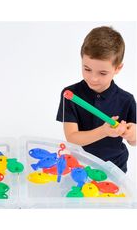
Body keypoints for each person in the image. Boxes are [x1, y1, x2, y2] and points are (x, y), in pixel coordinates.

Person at [56, 26, 136, 173]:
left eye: (103, 72)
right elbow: (72, 138)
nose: (93, 78)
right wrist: (104, 131)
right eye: (87, 69)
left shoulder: (127, 100)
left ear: (118, 68)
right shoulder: (70, 94)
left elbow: (134, 141)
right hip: (78, 166)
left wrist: (131, 133)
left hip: (115, 169)